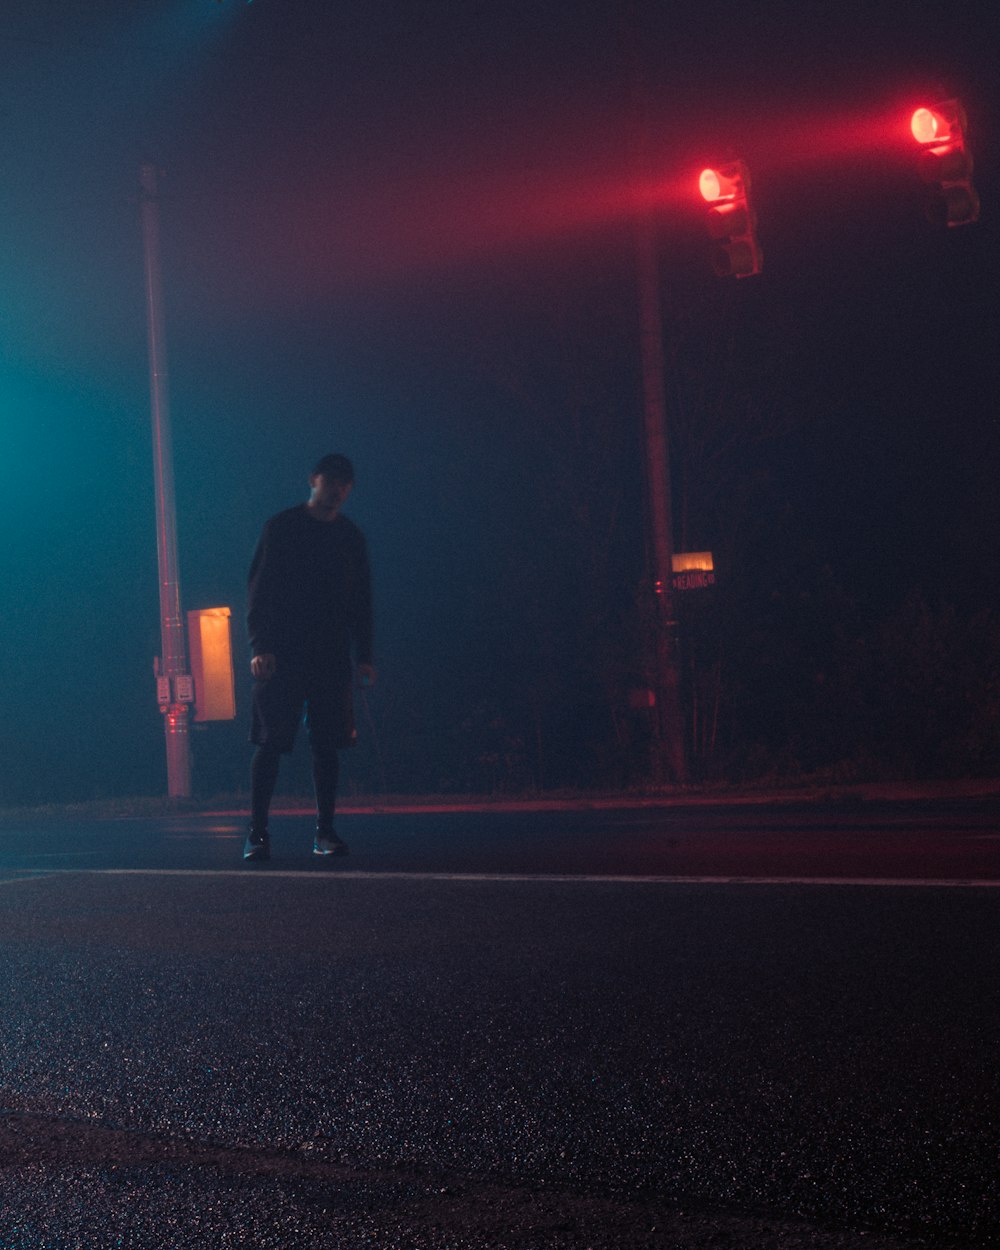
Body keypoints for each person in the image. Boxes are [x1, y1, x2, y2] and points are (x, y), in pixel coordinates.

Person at [244, 453, 376, 861]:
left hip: (331, 655)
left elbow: (362, 601)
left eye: (344, 484)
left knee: (327, 743)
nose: (337, 490)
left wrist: (365, 655)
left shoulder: (350, 536)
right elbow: (258, 589)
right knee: (271, 741)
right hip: (282, 653)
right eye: (330, 481)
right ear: (313, 480)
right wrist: (260, 646)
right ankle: (257, 833)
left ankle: (325, 832)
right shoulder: (282, 527)